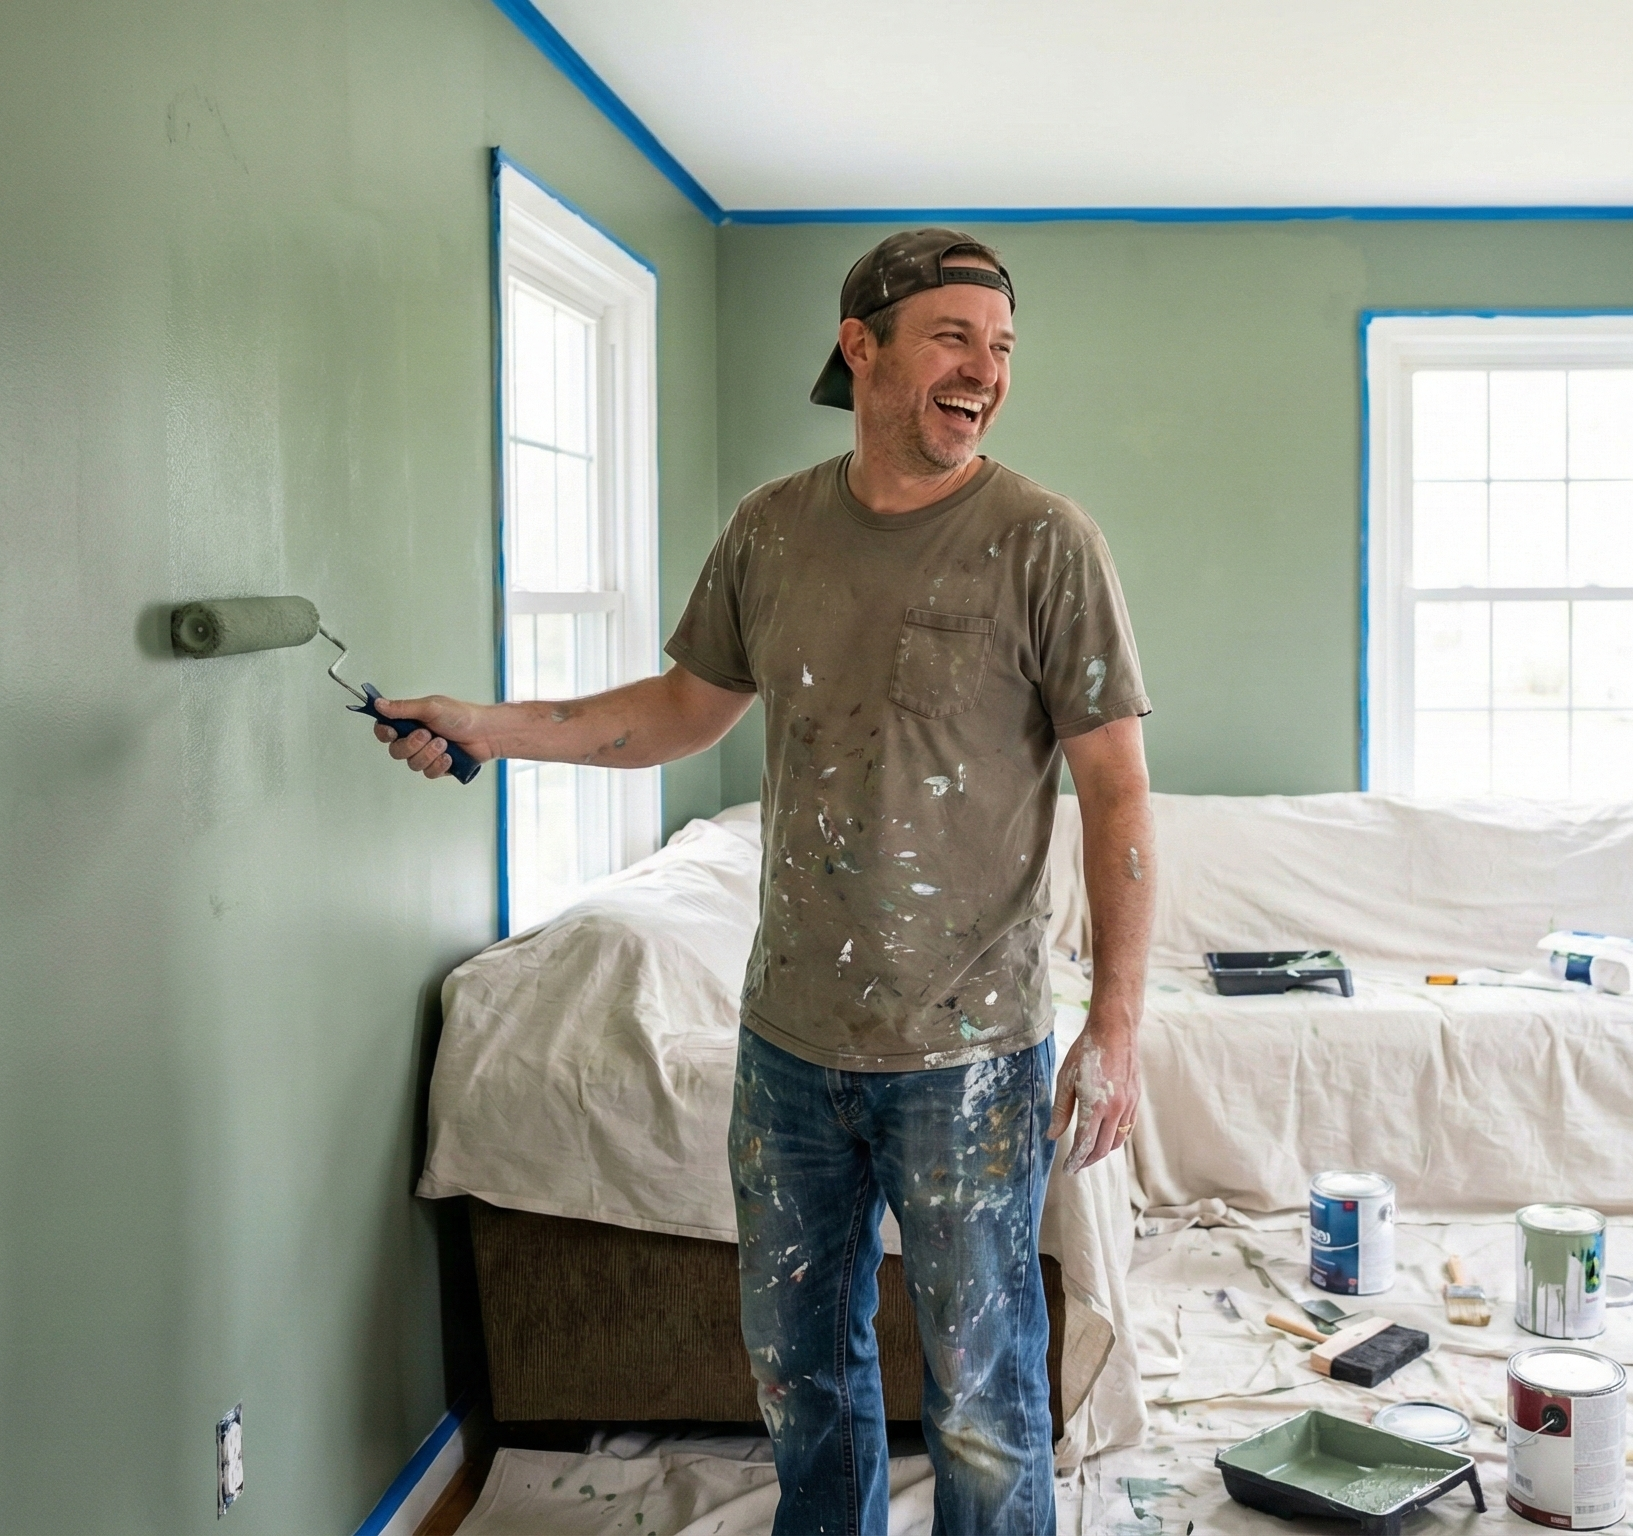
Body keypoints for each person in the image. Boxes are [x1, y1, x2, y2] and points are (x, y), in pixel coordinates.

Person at [371, 228, 1156, 1535]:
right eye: (954, 338)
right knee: (804, 1380)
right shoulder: (772, 533)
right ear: (864, 347)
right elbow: (681, 708)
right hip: (790, 1047)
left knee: (982, 1393)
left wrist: (1116, 1028)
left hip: (969, 1059)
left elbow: (1118, 790)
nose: (985, 372)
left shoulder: (1044, 544)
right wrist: (492, 726)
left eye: (1002, 348)